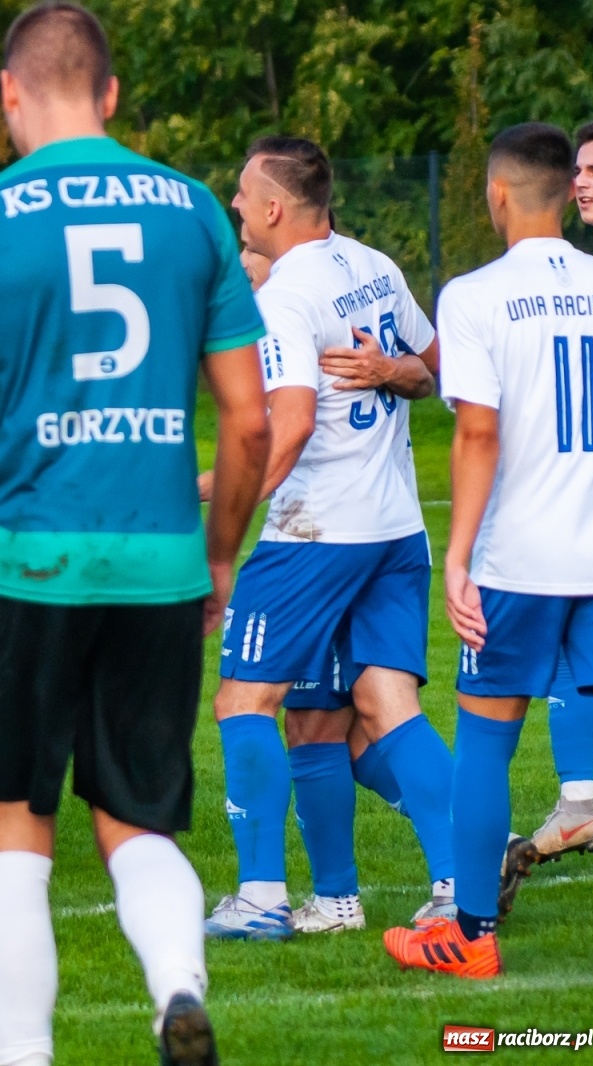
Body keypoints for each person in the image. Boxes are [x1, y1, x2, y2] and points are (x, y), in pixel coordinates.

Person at [0, 5, 269, 1063]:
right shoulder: (192, 210)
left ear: (7, 97)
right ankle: (176, 982)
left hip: (22, 560)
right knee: (137, 821)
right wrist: (217, 550)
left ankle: (22, 1057)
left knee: (12, 830)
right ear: (112, 95)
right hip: (157, 558)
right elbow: (250, 418)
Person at [202, 136, 455, 941]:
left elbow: (290, 425)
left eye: (243, 195)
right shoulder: (372, 263)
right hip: (394, 528)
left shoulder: (285, 294)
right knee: (362, 706)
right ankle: (426, 883)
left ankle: (261, 896)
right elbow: (436, 365)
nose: (236, 206)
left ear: (275, 208)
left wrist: (214, 507)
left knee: (244, 698)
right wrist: (395, 375)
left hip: (315, 532)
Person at [384, 122, 593, 979]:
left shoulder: (473, 295)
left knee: (485, 743)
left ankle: (470, 938)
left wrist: (458, 554)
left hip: (521, 562)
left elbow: (476, 434)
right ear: (566, 192)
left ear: (498, 193)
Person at [521, 117, 593, 864]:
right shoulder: (584, 276)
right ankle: (578, 800)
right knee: (573, 654)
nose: (580, 182)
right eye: (578, 170)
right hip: (581, 511)